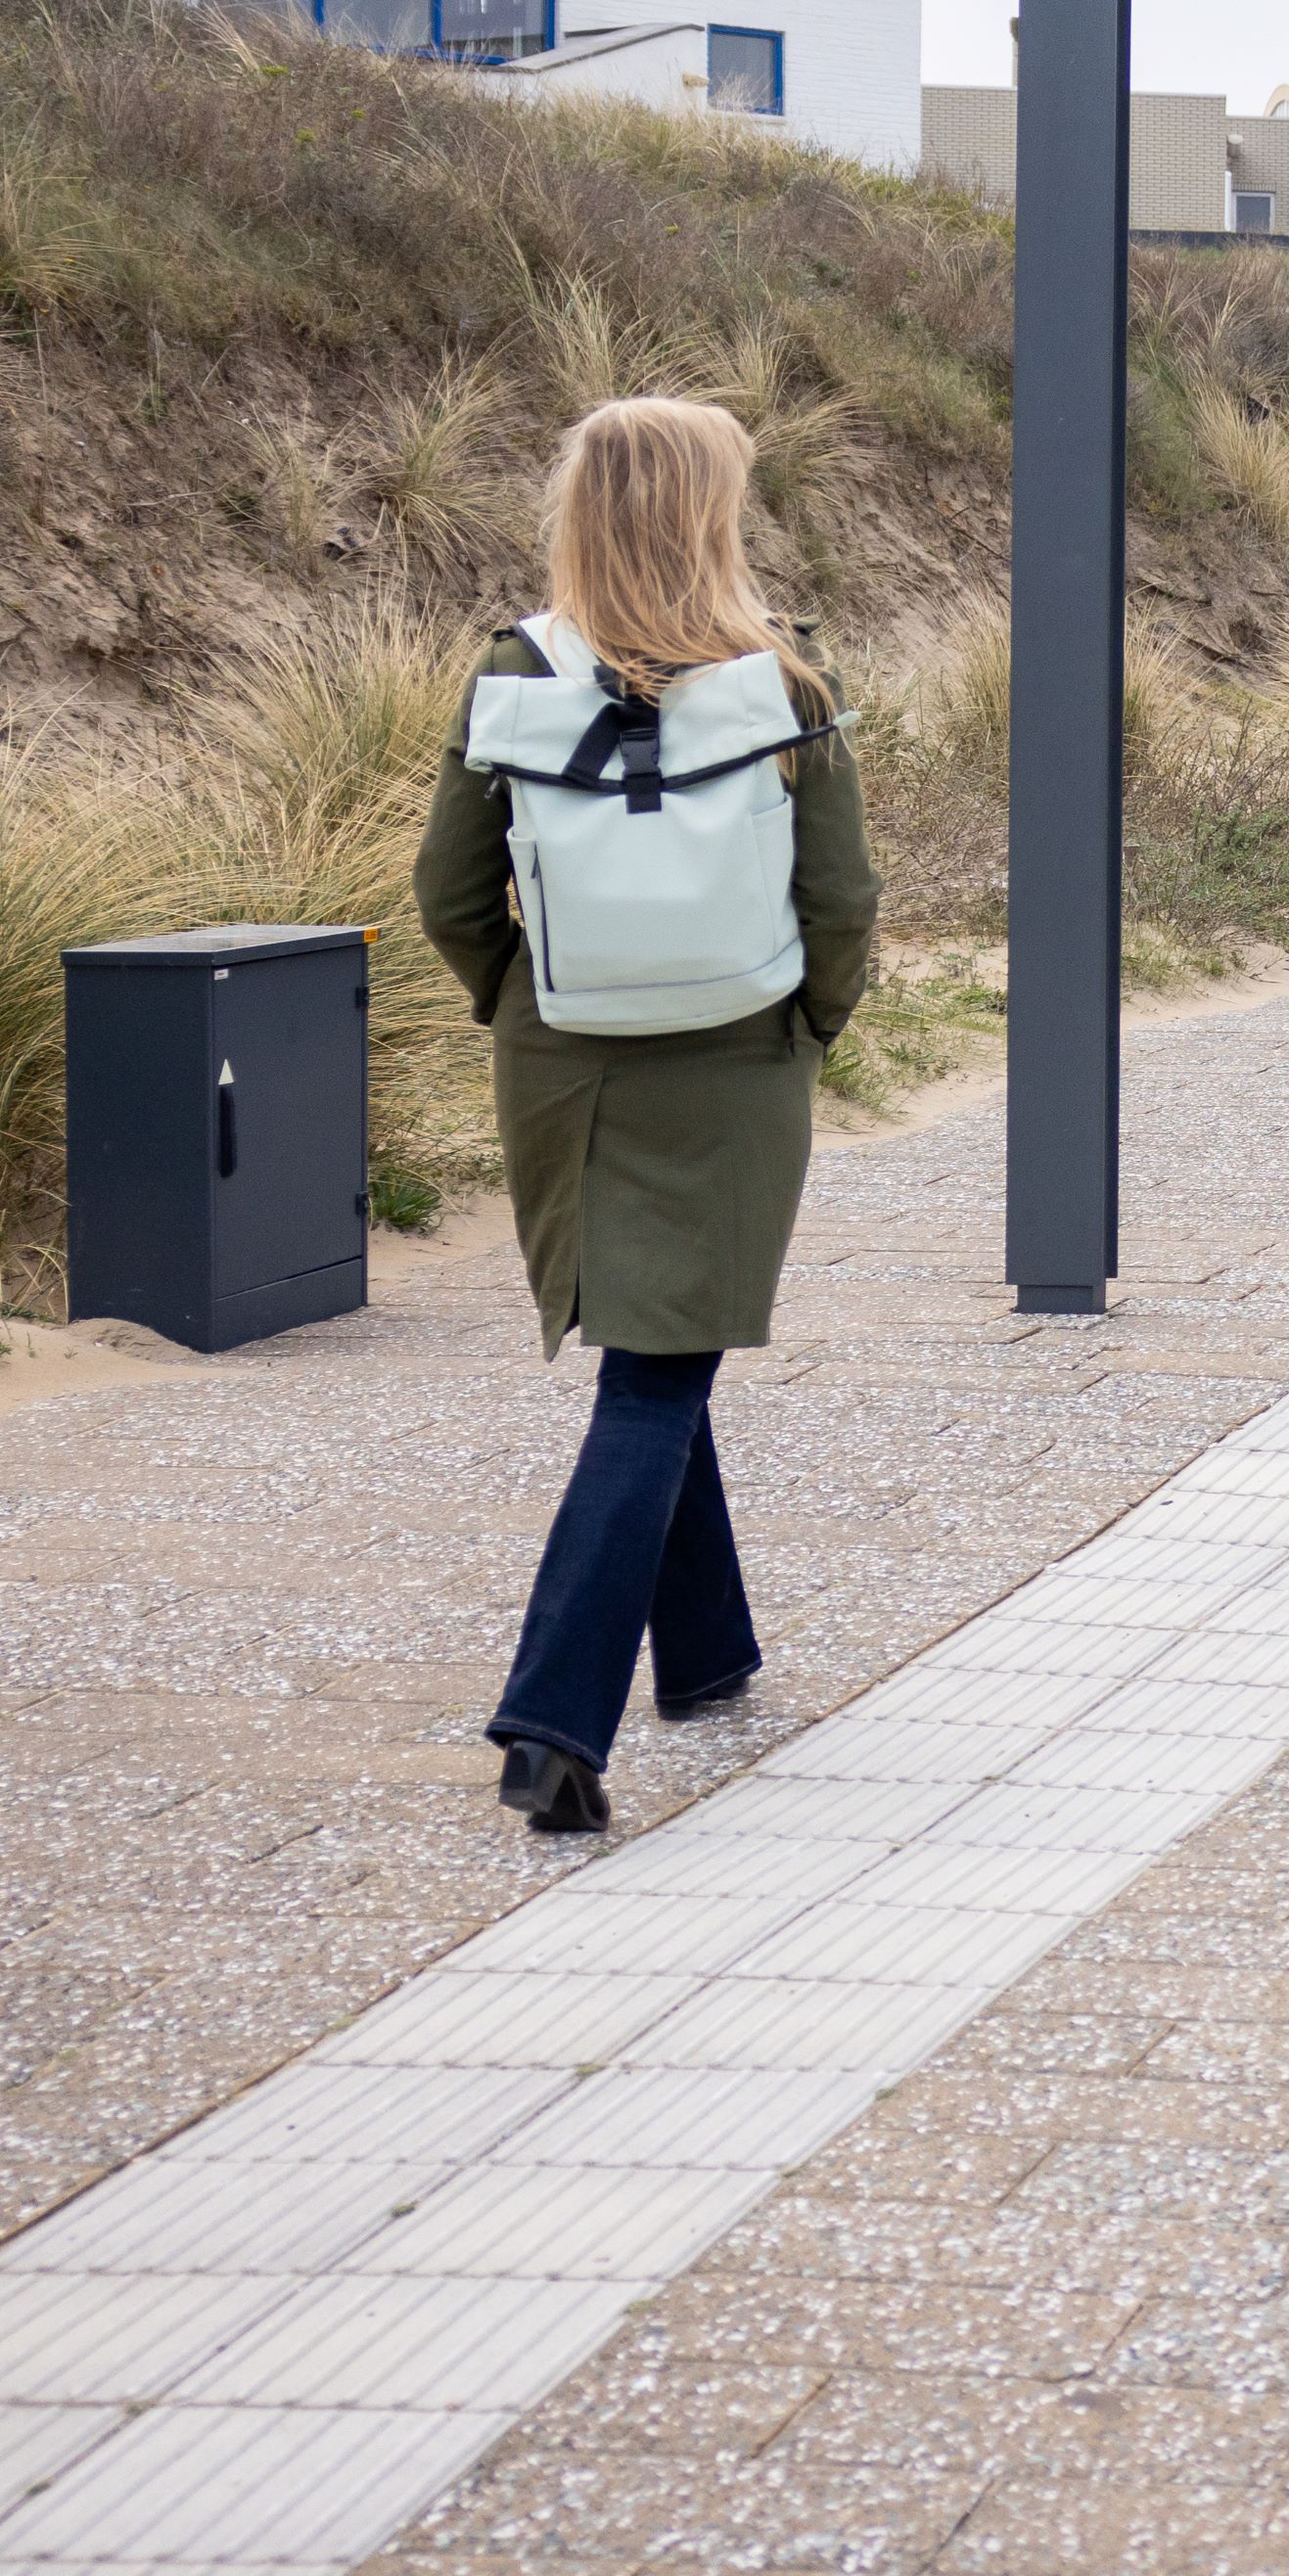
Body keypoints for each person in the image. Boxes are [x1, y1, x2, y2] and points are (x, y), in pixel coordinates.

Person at [416, 395, 877, 1835]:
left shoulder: (514, 669)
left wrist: (529, 1008)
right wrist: (805, 1026)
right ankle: (552, 1720)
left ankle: (710, 1653)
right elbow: (841, 900)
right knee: (660, 1369)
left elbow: (447, 891)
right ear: (709, 513)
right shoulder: (782, 683)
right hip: (738, 1056)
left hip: (570, 1059)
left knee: (655, 1327)